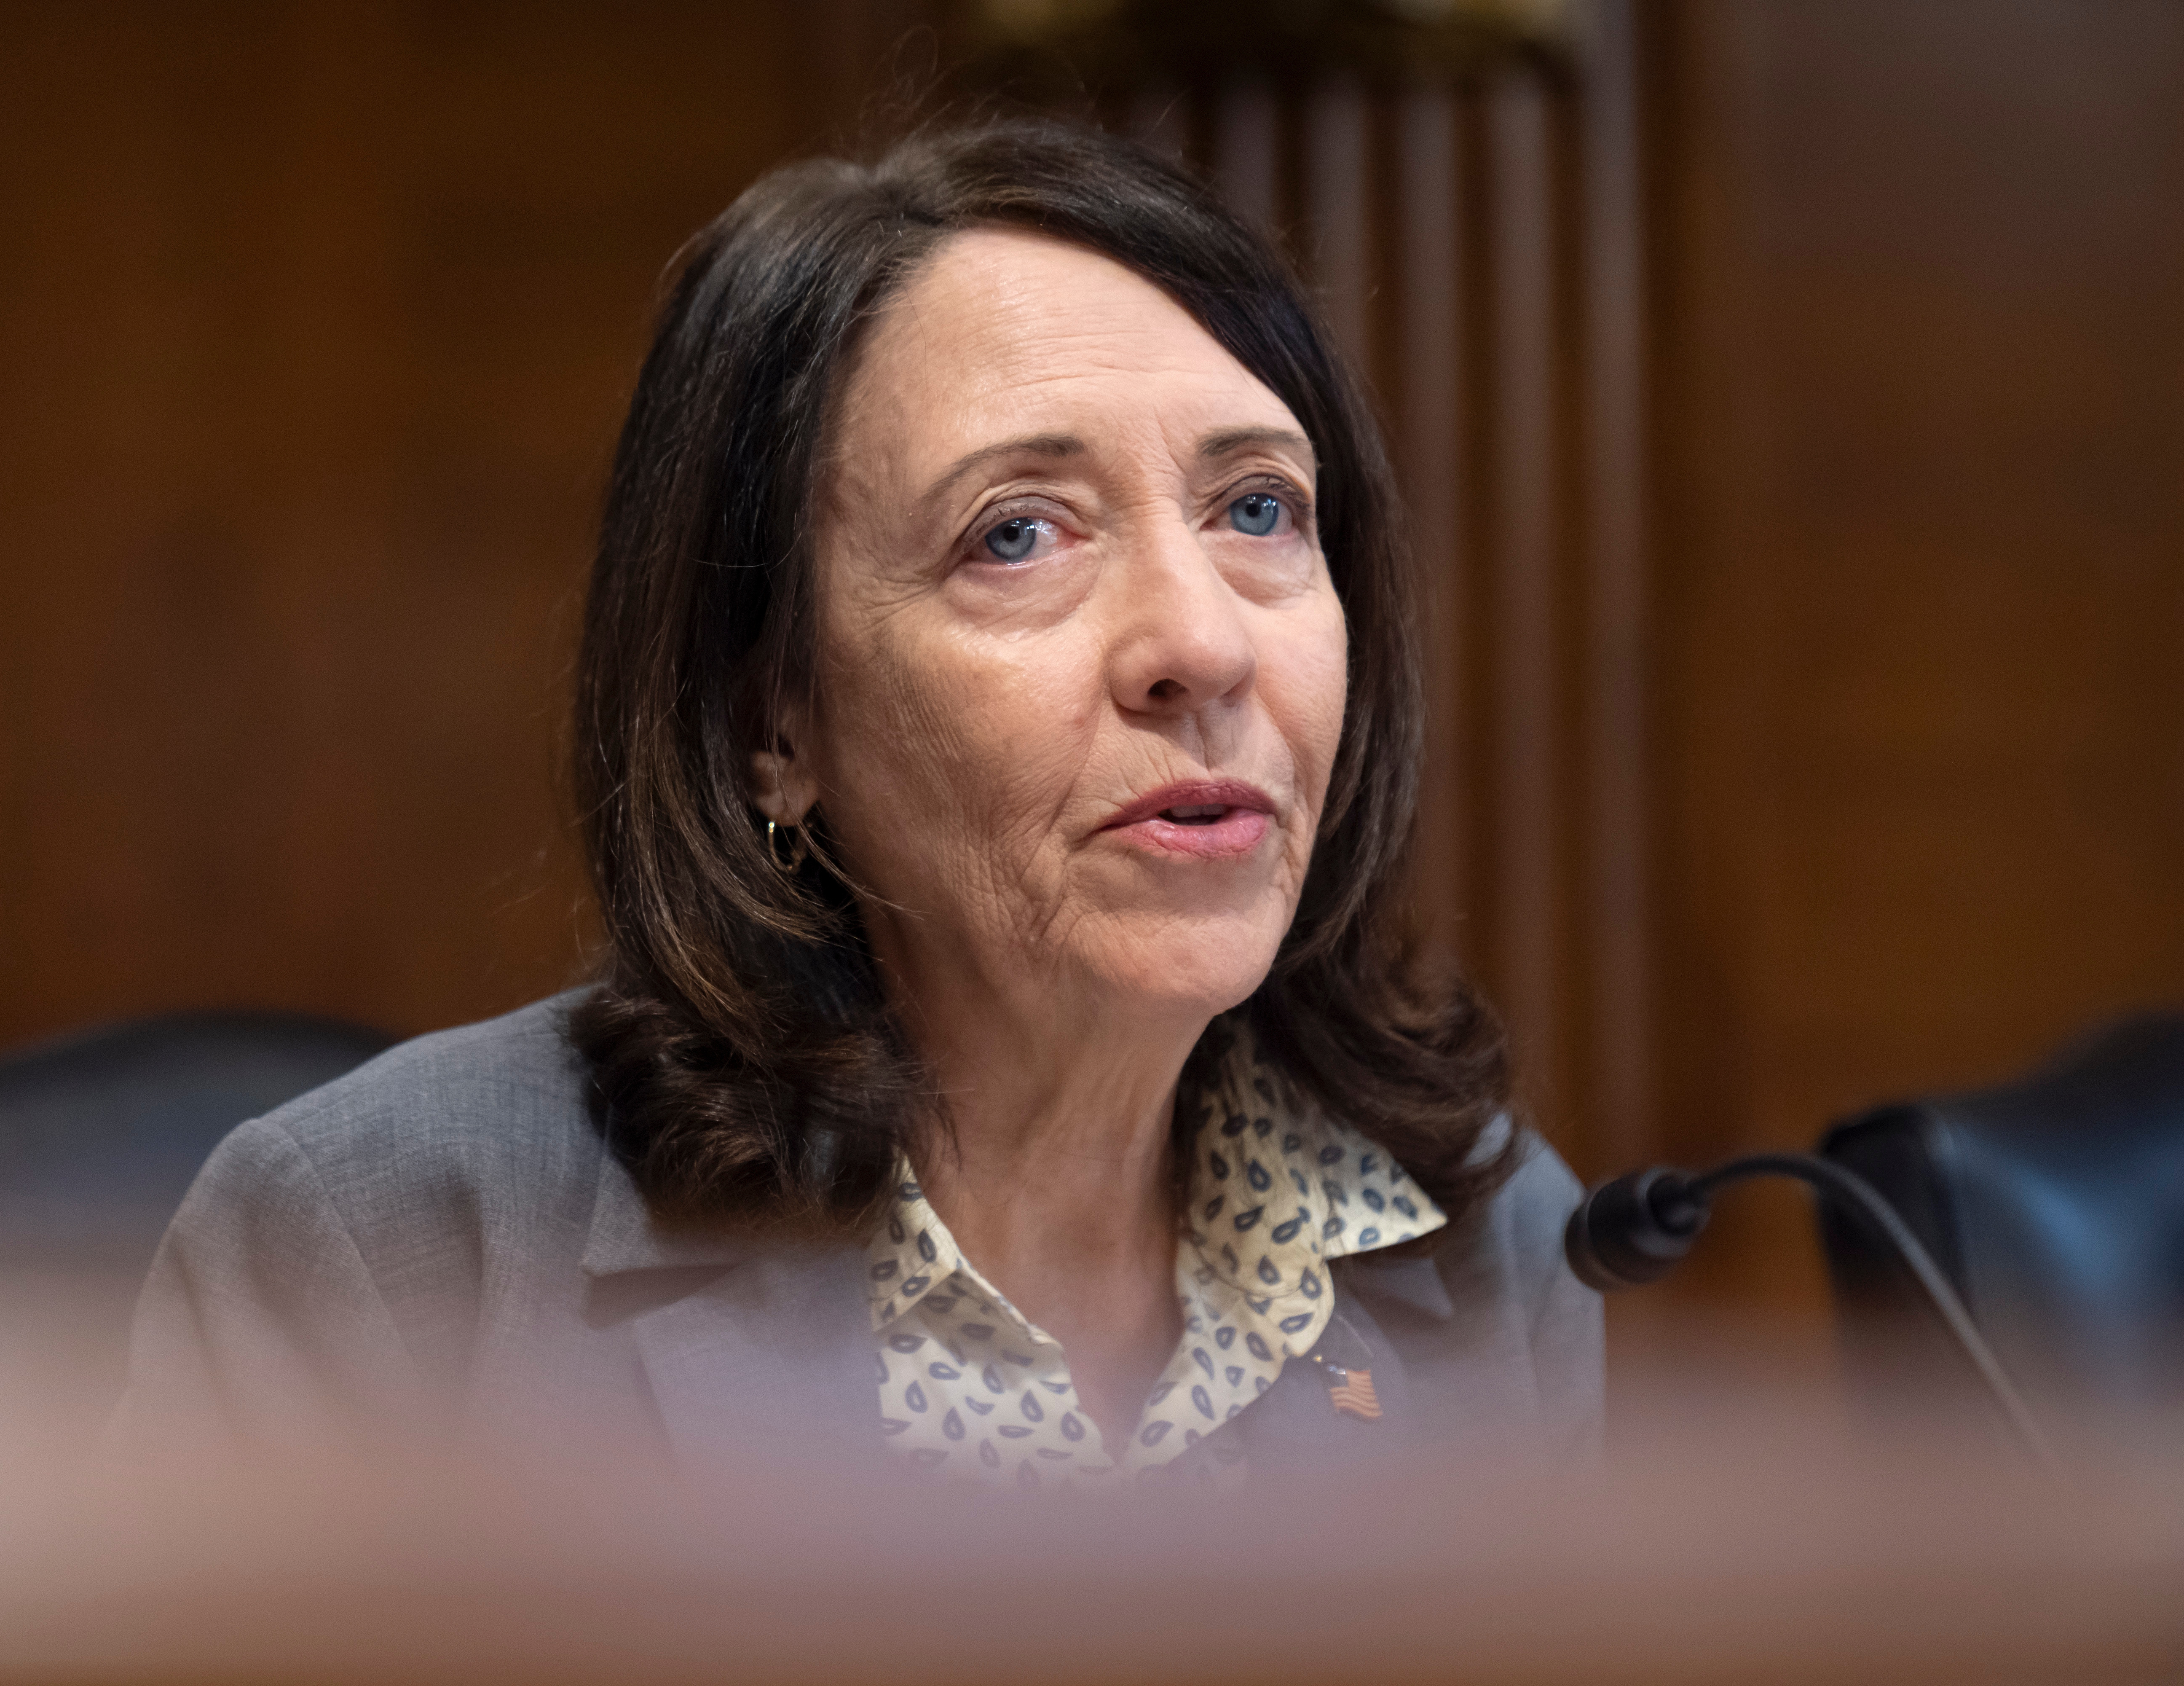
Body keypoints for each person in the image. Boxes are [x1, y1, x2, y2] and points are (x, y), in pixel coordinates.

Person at [107, 116, 1601, 1490]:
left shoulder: (1489, 1248)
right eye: (1018, 535)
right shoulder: (389, 1260)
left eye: (1258, 508)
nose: (1202, 645)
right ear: (775, 724)